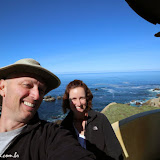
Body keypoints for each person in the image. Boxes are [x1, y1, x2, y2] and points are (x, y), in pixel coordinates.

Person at [0, 58, 96, 160]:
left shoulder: (51, 136)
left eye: (41, 90)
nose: (37, 96)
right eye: (27, 85)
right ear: (2, 87)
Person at [61, 80, 123, 160]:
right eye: (74, 99)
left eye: (81, 98)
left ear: (87, 98)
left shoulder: (100, 119)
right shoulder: (64, 126)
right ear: (68, 102)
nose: (78, 103)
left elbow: (115, 151)